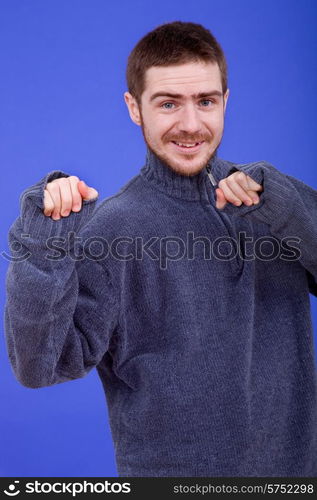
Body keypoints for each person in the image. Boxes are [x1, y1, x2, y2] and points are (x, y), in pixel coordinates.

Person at [4, 21, 317, 477]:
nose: (190, 125)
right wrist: (43, 244)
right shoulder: (113, 230)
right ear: (135, 108)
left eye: (205, 101)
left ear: (225, 101)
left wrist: (285, 207)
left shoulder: (273, 201)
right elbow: (39, 365)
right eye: (168, 103)